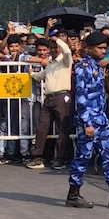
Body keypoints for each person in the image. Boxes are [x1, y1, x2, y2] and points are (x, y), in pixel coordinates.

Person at [66, 31, 109, 208]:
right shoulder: (83, 67)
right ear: (88, 48)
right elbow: (81, 97)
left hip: (101, 118)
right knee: (83, 156)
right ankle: (73, 194)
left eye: (105, 48)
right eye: (99, 48)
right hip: (88, 119)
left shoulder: (97, 66)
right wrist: (87, 123)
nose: (103, 51)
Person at [26, 37, 72, 170]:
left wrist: (58, 41)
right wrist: (32, 74)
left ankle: (61, 158)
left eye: (54, 48)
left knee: (62, 128)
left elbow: (68, 51)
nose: (52, 50)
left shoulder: (65, 61)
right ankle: (37, 157)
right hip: (49, 97)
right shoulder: (51, 63)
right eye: (51, 48)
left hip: (62, 96)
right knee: (41, 127)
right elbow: (41, 75)